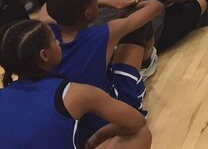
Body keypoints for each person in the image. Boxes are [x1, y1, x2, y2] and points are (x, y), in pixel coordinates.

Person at [0, 19, 152, 149]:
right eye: (54, 39)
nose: (58, 42)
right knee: (140, 134)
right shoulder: (75, 93)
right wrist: (97, 137)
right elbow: (137, 122)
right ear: (44, 55)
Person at [45, 0, 162, 141]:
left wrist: (106, 2)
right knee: (138, 25)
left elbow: (47, 8)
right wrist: (128, 4)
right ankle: (146, 64)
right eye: (95, 1)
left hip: (66, 115)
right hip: (105, 114)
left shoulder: (46, 33)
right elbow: (155, 7)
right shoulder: (104, 34)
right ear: (87, 13)